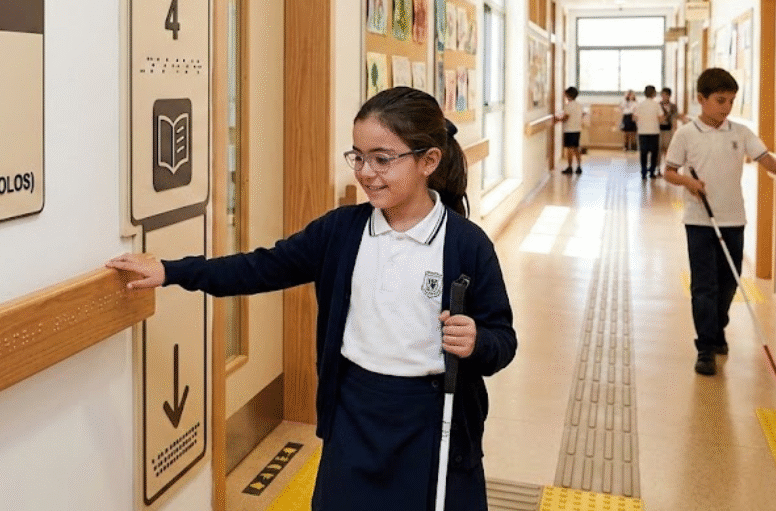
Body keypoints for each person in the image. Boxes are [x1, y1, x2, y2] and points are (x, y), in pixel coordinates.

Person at [108, 87, 516, 511]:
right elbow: (260, 267)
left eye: (382, 159)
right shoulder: (340, 232)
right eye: (357, 156)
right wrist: (172, 271)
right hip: (354, 414)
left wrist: (477, 342)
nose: (365, 172)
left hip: (431, 422)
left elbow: (502, 340)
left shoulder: (466, 245)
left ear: (428, 161)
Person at [663, 68, 776, 376]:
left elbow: (767, 159)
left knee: (729, 282)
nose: (726, 107)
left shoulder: (740, 133)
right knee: (704, 286)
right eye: (720, 100)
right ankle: (705, 348)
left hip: (734, 219)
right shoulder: (686, 134)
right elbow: (669, 171)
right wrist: (690, 184)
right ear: (702, 99)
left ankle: (717, 328)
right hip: (700, 222)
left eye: (731, 101)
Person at [633, 85, 662, 179]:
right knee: (654, 153)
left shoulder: (639, 104)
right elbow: (661, 119)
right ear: (654, 94)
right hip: (654, 132)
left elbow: (634, 118)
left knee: (643, 153)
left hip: (642, 132)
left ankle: (644, 172)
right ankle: (652, 172)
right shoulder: (656, 105)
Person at [555, 86, 584, 174]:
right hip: (577, 129)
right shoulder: (579, 105)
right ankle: (579, 167)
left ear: (568, 95)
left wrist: (557, 119)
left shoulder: (568, 106)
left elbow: (566, 118)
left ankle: (570, 167)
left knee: (570, 150)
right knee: (576, 148)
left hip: (569, 130)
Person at [658, 87, 682, 165]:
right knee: (659, 149)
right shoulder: (658, 105)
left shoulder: (673, 106)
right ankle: (658, 169)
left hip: (669, 129)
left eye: (665, 95)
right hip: (659, 129)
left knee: (668, 149)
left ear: (669, 96)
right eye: (662, 95)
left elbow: (675, 118)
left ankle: (667, 166)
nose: (663, 97)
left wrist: (675, 131)